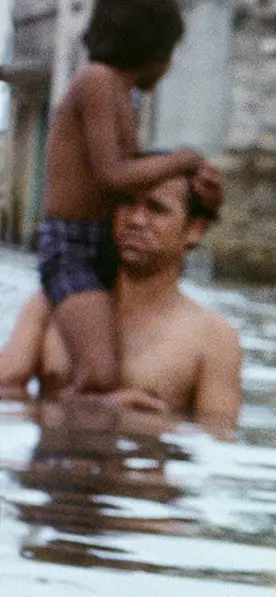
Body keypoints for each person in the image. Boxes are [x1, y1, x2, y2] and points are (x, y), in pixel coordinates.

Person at [33, 0, 222, 395]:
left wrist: (201, 186)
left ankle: (98, 449)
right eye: (170, 52)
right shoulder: (98, 81)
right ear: (151, 49)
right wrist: (184, 159)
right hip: (72, 247)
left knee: (120, 371)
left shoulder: (122, 93)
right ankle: (64, 446)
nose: (169, 66)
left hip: (104, 242)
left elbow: (135, 175)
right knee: (98, 377)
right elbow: (112, 174)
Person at [1, 167, 242, 425]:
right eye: (127, 203)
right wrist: (92, 407)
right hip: (53, 462)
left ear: (194, 229)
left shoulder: (213, 337)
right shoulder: (55, 302)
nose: (136, 219)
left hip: (139, 461)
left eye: (156, 209)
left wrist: (133, 421)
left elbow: (218, 436)